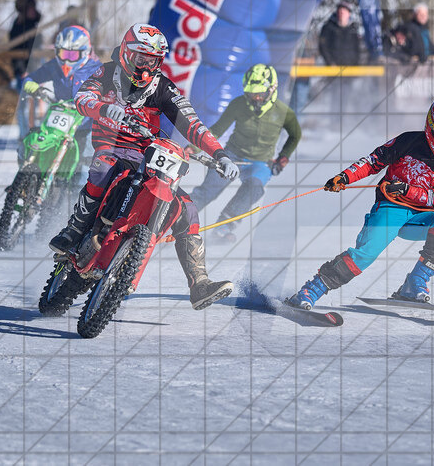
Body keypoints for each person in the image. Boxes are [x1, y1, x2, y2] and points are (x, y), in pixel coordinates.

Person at [50, 23, 240, 310]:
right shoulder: (106, 73)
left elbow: (192, 124)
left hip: (147, 152)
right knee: (103, 169)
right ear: (126, 54)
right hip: (112, 146)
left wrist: (220, 154)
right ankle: (75, 230)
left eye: (153, 61)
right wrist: (102, 108)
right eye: (141, 59)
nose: (146, 66)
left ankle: (199, 282)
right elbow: (82, 97)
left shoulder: (163, 87)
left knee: (185, 206)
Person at [286, 96, 434, 310]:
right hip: (390, 209)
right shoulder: (408, 141)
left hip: (421, 217)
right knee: (366, 254)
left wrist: (406, 189)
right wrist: (345, 177)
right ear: (431, 128)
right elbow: (373, 161)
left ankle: (414, 284)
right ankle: (311, 290)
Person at [189, 64, 301, 241]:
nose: (255, 99)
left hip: (260, 162)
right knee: (209, 190)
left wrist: (283, 158)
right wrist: (194, 146)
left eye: (260, 95)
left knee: (254, 188)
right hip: (232, 156)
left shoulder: (283, 112)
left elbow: (295, 135)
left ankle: (224, 227)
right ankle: (177, 219)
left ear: (272, 90)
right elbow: (217, 129)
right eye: (250, 94)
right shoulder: (239, 104)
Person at [20, 25, 103, 156]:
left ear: (85, 52)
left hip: (86, 125)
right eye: (62, 53)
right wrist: (31, 85)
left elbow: (112, 89)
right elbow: (30, 78)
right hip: (58, 121)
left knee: (86, 158)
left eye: (72, 55)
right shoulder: (54, 66)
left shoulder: (96, 70)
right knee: (35, 145)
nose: (66, 60)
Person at [9, 0, 42, 85]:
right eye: (29, 8)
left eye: (33, 8)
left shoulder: (33, 25)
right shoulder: (18, 27)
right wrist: (23, 70)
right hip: (24, 68)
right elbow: (16, 50)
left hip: (35, 66)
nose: (33, 11)